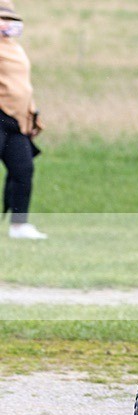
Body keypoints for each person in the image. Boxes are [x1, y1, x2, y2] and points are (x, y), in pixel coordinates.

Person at [0, 0, 46, 239]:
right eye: (2, 18)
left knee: (23, 169)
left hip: (16, 121)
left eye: (10, 19)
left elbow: (22, 86)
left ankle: (19, 225)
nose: (6, 24)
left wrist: (32, 115)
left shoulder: (14, 48)